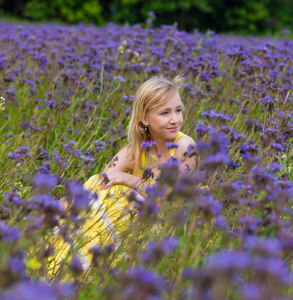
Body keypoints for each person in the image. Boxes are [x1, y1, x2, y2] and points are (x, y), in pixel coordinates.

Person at [49, 75, 196, 275]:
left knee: (124, 196)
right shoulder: (135, 150)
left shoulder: (185, 148)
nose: (175, 120)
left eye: (178, 110)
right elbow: (100, 182)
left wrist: (132, 180)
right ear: (145, 118)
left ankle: (75, 266)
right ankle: (59, 252)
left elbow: (169, 205)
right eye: (165, 113)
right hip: (132, 226)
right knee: (98, 184)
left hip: (166, 229)